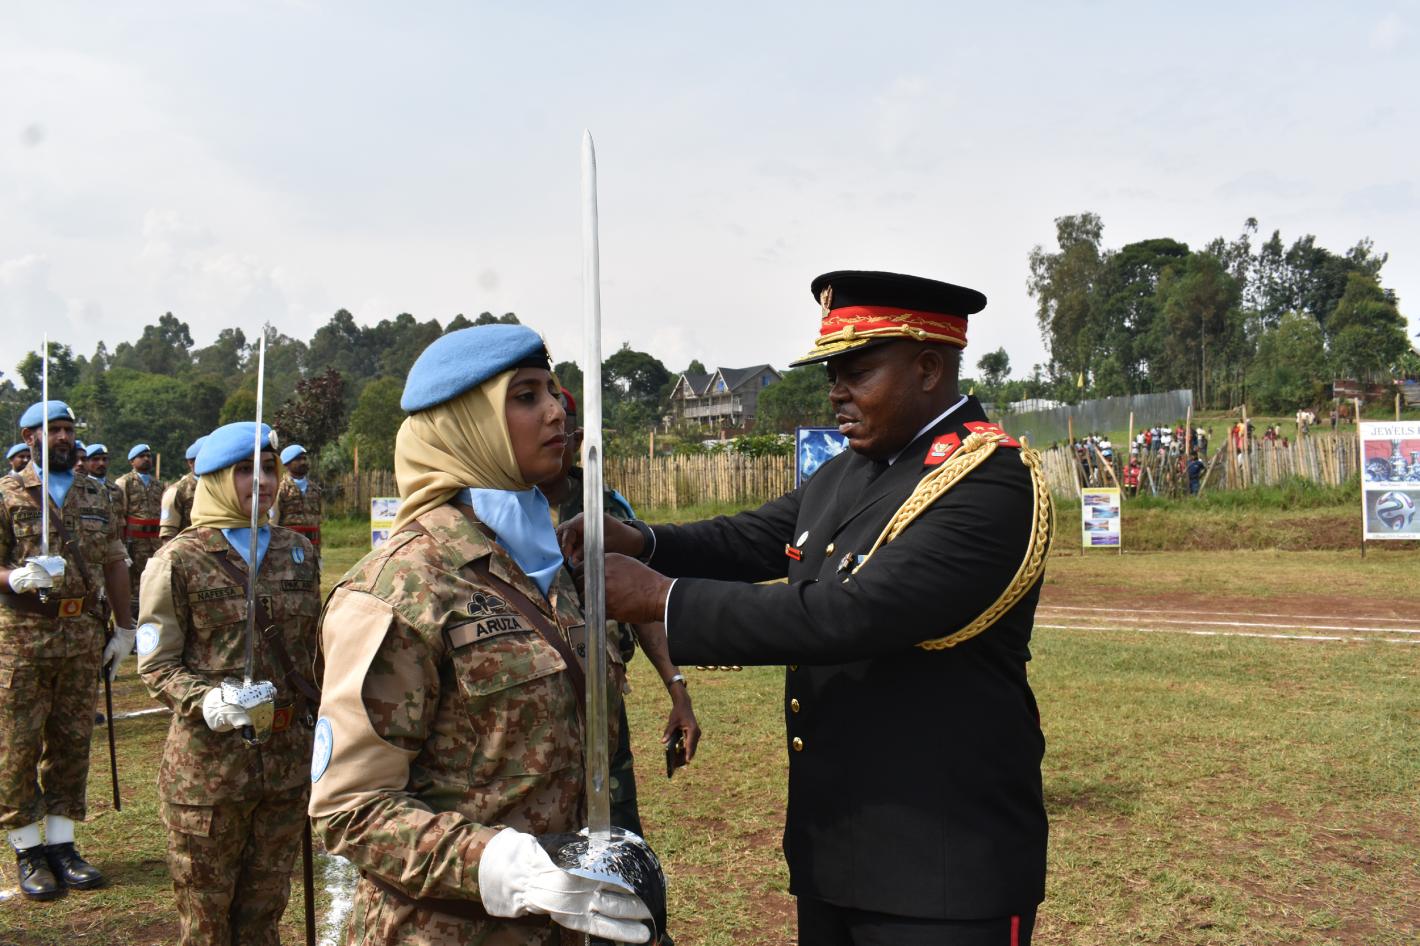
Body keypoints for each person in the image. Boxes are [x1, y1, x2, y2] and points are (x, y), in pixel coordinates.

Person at [562, 270, 1052, 944]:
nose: (836, 391)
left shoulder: (987, 479)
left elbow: (853, 614)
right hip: (838, 853)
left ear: (928, 368)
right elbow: (754, 537)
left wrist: (662, 598)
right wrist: (644, 541)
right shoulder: (856, 467)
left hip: (943, 866)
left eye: (857, 371)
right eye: (831, 373)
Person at [309, 324, 652, 946]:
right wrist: (501, 867)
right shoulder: (403, 585)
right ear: (467, 423)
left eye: (552, 391)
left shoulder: (549, 564)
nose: (556, 411)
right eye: (525, 396)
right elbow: (350, 808)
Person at [137, 421, 319, 946]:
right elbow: (157, 664)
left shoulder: (297, 551)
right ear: (215, 479)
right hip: (209, 775)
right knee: (208, 922)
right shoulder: (178, 559)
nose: (262, 481)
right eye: (244, 470)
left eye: (269, 469)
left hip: (285, 766)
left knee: (264, 914)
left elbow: (311, 652)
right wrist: (206, 699)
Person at [541, 387, 701, 837]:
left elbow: (640, 604)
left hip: (601, 692)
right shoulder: (499, 506)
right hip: (535, 703)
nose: (553, 432)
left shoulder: (601, 507)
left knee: (617, 830)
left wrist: (678, 690)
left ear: (577, 438)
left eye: (564, 429)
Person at [0, 400, 134, 900]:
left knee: (72, 743)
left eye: (68, 429)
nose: (63, 437)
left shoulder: (97, 492)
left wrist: (125, 629)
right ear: (29, 437)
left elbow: (115, 561)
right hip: (22, 638)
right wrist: (14, 577)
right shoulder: (7, 493)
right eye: (52, 429)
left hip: (82, 636)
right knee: (17, 745)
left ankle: (63, 844)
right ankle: (27, 849)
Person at [116, 443, 165, 617]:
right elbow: (120, 514)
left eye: (148, 456)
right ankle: (134, 615)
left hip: (155, 540)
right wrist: (122, 543)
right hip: (134, 541)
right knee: (135, 579)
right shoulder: (124, 482)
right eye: (141, 456)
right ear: (132, 461)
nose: (146, 459)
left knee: (155, 575)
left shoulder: (158, 484)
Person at [271, 443, 323, 560]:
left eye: (304, 458)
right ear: (287, 464)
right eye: (298, 459)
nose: (303, 462)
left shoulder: (315, 489)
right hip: (288, 546)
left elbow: (318, 521)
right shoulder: (280, 488)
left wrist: (319, 554)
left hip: (312, 547)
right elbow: (273, 522)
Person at [159, 436, 207, 542]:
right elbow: (168, 534)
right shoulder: (176, 491)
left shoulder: (219, 486)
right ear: (191, 463)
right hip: (190, 548)